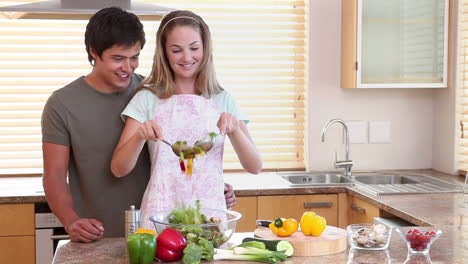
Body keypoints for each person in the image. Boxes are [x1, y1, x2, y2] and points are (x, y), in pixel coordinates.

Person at [41, 7, 236, 243]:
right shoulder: (62, 104)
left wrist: (211, 185)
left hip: (156, 233)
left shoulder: (154, 93)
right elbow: (54, 176)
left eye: (134, 57)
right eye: (118, 58)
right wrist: (71, 220)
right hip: (97, 234)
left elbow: (173, 156)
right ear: (94, 52)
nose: (128, 67)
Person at [111, 10, 262, 229]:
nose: (187, 57)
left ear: (205, 48)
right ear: (164, 52)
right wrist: (139, 136)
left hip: (210, 216)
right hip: (160, 216)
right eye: (176, 50)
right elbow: (118, 168)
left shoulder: (223, 99)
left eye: (194, 48)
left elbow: (255, 166)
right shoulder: (147, 98)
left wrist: (235, 128)